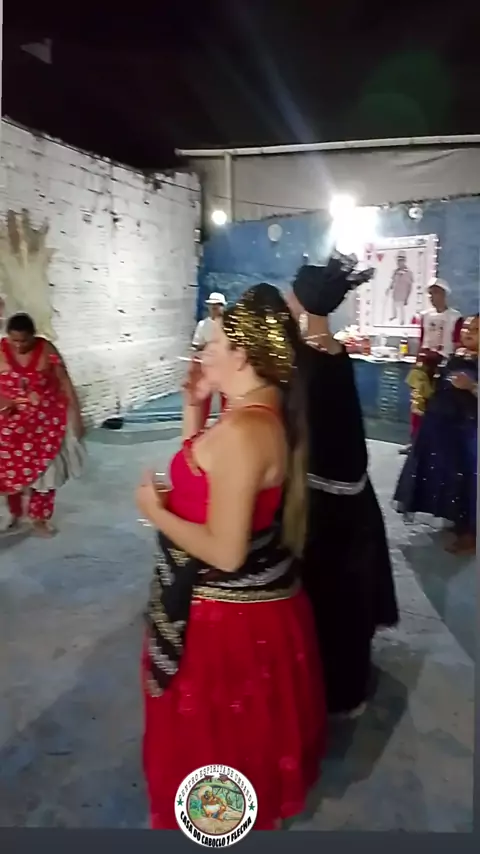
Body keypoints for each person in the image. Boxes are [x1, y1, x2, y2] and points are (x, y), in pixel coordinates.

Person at [135, 284, 326, 830]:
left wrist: (154, 511)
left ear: (242, 355)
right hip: (239, 610)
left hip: (224, 627)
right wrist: (193, 407)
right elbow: (200, 478)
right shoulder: (252, 414)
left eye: (213, 344)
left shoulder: (244, 432)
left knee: (215, 755)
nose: (202, 354)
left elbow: (225, 548)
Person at [285, 255, 399, 718]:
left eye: (293, 291)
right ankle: (348, 686)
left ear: (304, 301)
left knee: (325, 599)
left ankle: (332, 692)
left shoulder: (306, 360)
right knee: (347, 596)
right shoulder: (335, 352)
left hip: (323, 502)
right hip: (352, 493)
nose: (288, 297)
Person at [394, 314, 478, 556]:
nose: (468, 332)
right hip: (440, 426)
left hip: (466, 430)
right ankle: (455, 520)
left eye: (476, 329)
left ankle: (470, 534)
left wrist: (472, 387)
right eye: (466, 328)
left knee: (466, 480)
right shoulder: (457, 355)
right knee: (445, 475)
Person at [0, 312, 85, 536]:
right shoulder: (0, 350)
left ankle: (39, 518)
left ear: (34, 335)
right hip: (10, 426)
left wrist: (76, 416)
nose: (19, 346)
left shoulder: (47, 349)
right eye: (14, 340)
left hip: (46, 424)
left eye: (24, 341)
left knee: (47, 472)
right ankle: (15, 513)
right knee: (9, 473)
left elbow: (64, 382)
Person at [400, 278, 463, 455]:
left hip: (445, 364)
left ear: (443, 294)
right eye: (430, 293)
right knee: (418, 403)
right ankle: (415, 442)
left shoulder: (455, 317)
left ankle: (437, 444)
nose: (431, 297)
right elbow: (422, 339)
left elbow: (457, 343)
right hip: (425, 364)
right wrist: (418, 361)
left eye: (435, 292)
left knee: (441, 405)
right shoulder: (424, 316)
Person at [192, 291, 227, 421]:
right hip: (208, 364)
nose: (215, 308)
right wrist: (210, 345)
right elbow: (196, 344)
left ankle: (226, 422)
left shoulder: (229, 325)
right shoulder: (203, 325)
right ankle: (202, 422)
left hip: (225, 364)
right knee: (206, 396)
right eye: (212, 306)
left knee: (226, 395)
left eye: (218, 306)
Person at [387, 251, 414, 325]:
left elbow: (410, 286)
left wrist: (407, 297)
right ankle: (394, 317)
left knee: (402, 309)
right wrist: (389, 288)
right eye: (398, 261)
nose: (399, 262)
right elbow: (393, 281)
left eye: (401, 260)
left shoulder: (408, 273)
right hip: (395, 294)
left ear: (404, 261)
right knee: (394, 306)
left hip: (403, 295)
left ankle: (402, 322)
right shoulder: (395, 272)